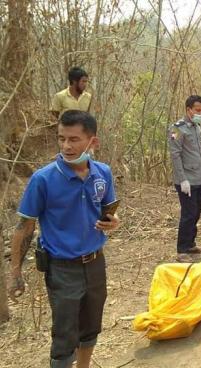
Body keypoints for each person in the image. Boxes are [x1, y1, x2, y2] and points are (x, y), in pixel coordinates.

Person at [9, 110, 120, 368]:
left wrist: (113, 223)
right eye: (62, 139)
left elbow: (108, 211)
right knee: (64, 334)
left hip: (95, 263)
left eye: (74, 139)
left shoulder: (102, 173)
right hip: (61, 268)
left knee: (91, 326)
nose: (67, 146)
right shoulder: (43, 179)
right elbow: (24, 228)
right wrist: (15, 272)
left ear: (93, 141)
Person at [168, 95, 201, 262]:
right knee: (188, 213)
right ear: (188, 110)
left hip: (200, 178)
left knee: (196, 213)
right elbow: (175, 155)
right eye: (197, 110)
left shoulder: (197, 127)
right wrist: (182, 179)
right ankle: (182, 249)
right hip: (187, 180)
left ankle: (191, 243)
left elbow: (199, 153)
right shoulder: (177, 129)